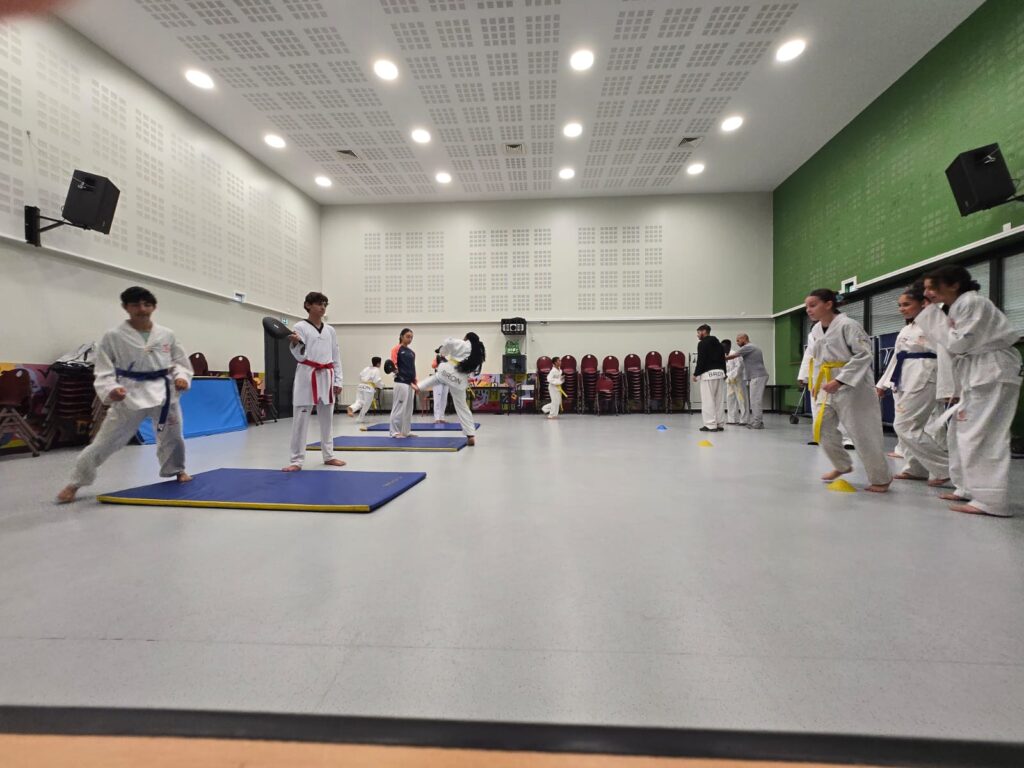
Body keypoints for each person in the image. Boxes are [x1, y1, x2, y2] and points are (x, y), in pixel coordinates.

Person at [57, 286, 192, 503]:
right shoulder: (113, 336)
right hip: (129, 393)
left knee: (174, 437)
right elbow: (103, 369)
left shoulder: (167, 334)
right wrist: (111, 388)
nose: (142, 309)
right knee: (105, 441)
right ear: (125, 307)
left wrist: (182, 377)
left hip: (164, 393)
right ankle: (76, 482)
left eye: (147, 304)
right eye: (135, 305)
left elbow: (180, 362)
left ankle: (177, 470)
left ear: (154, 307)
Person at [916, 264, 1022, 517]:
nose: (927, 293)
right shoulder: (957, 307)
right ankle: (966, 487)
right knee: (959, 432)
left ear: (954, 284)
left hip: (992, 371)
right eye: (926, 288)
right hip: (978, 373)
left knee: (982, 435)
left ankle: (990, 500)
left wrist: (931, 315)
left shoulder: (972, 303)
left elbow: (958, 343)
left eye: (933, 287)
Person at [805, 288, 891, 492]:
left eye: (813, 305)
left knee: (863, 431)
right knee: (821, 427)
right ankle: (842, 465)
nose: (808, 310)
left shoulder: (848, 325)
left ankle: (881, 478)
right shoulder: (816, 330)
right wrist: (814, 383)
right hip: (826, 383)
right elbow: (817, 359)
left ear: (828, 304)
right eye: (807, 306)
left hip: (855, 386)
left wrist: (840, 380)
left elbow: (864, 355)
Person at [874, 283, 949, 486]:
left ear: (923, 303)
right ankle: (916, 468)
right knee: (908, 425)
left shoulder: (936, 323)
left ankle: (945, 467)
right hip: (904, 376)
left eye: (906, 304)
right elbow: (897, 357)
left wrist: (950, 386)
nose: (901, 309)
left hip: (925, 374)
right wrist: (883, 384)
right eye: (899, 305)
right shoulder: (907, 328)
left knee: (905, 426)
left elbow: (947, 355)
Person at [283, 292, 345, 472]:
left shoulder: (330, 330)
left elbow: (336, 356)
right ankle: (296, 460)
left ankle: (329, 455)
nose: (322, 307)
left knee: (327, 419)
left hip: (327, 375)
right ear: (308, 305)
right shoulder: (300, 327)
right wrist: (296, 343)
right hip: (307, 375)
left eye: (325, 304)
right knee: (300, 420)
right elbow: (299, 355)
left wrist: (338, 380)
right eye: (319, 304)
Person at [415, 333, 486, 445]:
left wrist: (442, 351)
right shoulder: (478, 352)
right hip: (460, 380)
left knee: (437, 378)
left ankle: (418, 387)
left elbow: (448, 342)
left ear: (466, 338)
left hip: (449, 371)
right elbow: (474, 371)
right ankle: (470, 434)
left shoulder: (462, 344)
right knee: (462, 407)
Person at [799, 338, 855, 449]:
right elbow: (809, 355)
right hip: (818, 375)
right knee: (818, 408)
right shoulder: (813, 333)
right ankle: (819, 436)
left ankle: (848, 439)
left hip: (840, 373)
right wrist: (803, 375)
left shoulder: (844, 331)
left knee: (844, 408)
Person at [727, 333, 769, 429]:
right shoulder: (753, 347)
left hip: (758, 376)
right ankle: (758, 421)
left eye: (738, 340)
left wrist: (717, 358)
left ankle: (757, 423)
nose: (737, 342)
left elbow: (733, 356)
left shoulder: (748, 347)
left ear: (744, 338)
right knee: (754, 400)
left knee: (755, 400)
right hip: (757, 376)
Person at [692, 324, 726, 432]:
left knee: (708, 400)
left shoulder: (702, 343)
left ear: (704, 331)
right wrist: (725, 373)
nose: (697, 335)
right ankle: (719, 423)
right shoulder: (719, 344)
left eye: (698, 333)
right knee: (719, 400)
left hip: (708, 374)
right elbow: (723, 359)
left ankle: (710, 424)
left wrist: (696, 374)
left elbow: (701, 360)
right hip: (720, 373)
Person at [389, 327, 416, 438]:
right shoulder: (396, 349)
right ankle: (395, 432)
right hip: (400, 383)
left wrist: (415, 383)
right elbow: (393, 365)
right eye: (408, 337)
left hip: (410, 384)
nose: (410, 339)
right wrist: (397, 373)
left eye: (411, 337)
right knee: (399, 408)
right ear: (401, 336)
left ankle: (405, 431)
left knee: (408, 409)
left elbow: (412, 369)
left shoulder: (412, 352)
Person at [347, 356, 382, 424]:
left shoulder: (367, 368)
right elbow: (377, 381)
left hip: (361, 386)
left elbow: (360, 375)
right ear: (378, 363)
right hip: (369, 388)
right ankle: (360, 419)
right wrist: (382, 386)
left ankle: (351, 408)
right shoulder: (377, 370)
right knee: (366, 404)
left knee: (359, 401)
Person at [722, 339, 748, 425]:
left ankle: (744, 420)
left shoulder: (735, 354)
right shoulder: (724, 355)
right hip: (730, 381)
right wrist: (725, 376)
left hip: (738, 380)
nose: (722, 348)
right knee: (730, 399)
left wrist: (729, 375)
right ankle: (732, 419)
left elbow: (739, 367)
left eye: (724, 347)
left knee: (741, 400)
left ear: (729, 346)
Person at [429, 349, 450, 424]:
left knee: (444, 399)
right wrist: (437, 361)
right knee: (437, 399)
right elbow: (433, 366)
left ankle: (442, 417)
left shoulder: (447, 361)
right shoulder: (437, 358)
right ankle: (437, 418)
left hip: (445, 380)